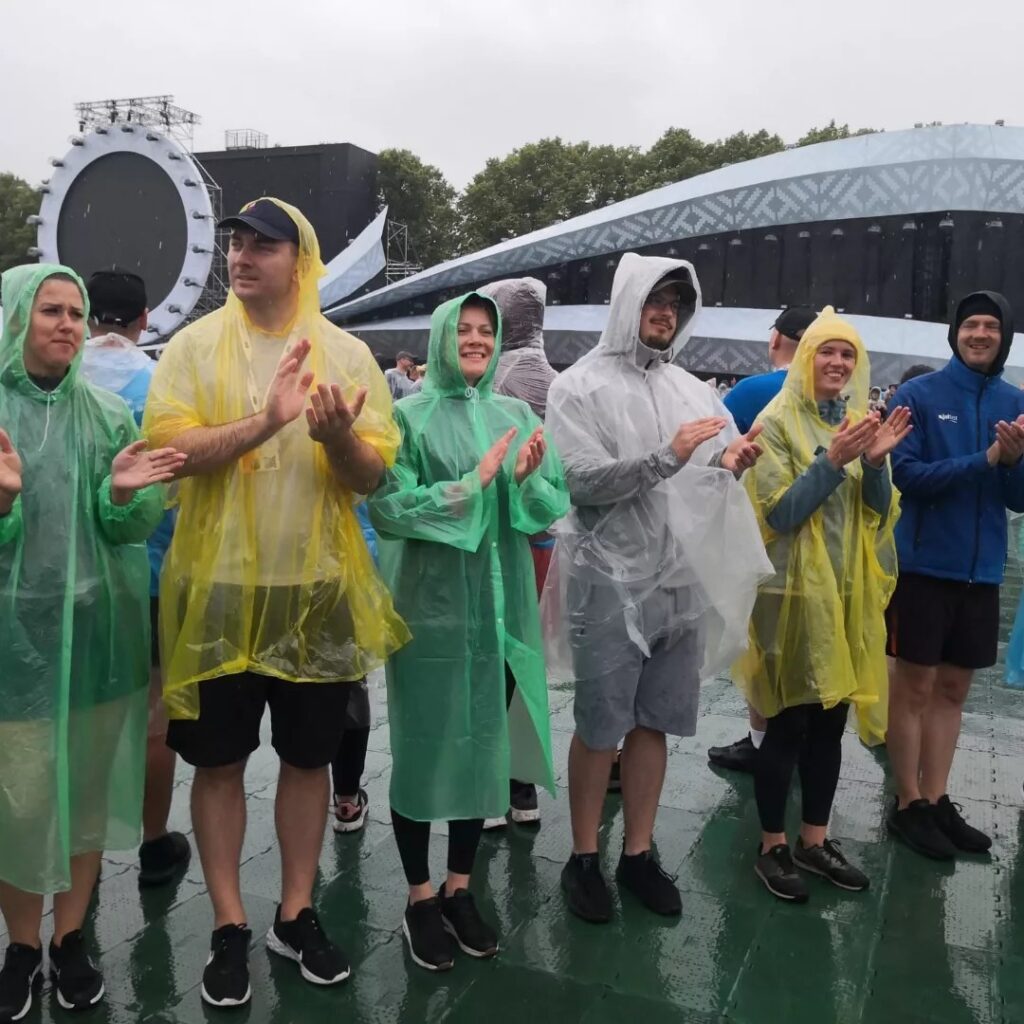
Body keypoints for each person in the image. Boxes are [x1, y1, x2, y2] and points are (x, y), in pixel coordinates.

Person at [143, 197, 409, 1007]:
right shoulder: (192, 348)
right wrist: (265, 421)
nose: (242, 255)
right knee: (218, 763)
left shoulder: (347, 356)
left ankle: (295, 911)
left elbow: (374, 477)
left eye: (264, 244)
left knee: (308, 759)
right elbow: (170, 451)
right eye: (237, 241)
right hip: (218, 588)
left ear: (303, 260)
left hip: (315, 588)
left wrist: (336, 438)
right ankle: (229, 923)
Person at [545, 253, 771, 923]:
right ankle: (584, 855)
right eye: (654, 298)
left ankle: (637, 853)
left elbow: (709, 468)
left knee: (654, 723)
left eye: (676, 302)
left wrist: (729, 460)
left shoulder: (693, 390)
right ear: (627, 302)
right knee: (600, 726)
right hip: (607, 583)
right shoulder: (577, 387)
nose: (666, 312)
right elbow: (578, 482)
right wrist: (665, 457)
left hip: (678, 581)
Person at [0, 264, 184, 1020]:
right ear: (17, 316)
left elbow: (126, 529)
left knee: (81, 795)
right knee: (20, 799)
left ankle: (69, 939)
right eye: (50, 310)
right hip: (13, 646)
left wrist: (125, 495)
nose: (68, 325)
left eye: (76, 312)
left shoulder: (108, 415)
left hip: (99, 636)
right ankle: (21, 946)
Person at [368, 292, 568, 970]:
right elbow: (391, 508)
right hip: (429, 613)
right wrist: (471, 485)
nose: (477, 340)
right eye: (465, 329)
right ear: (442, 337)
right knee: (424, 749)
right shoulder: (406, 416)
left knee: (483, 746)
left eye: (487, 330)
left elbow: (545, 505)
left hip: (499, 614)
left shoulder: (516, 415)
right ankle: (419, 896)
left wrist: (522, 480)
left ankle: (459, 886)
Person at [733, 307, 905, 901]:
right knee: (787, 722)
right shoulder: (777, 420)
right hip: (789, 593)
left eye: (847, 354)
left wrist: (875, 464)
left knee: (830, 723)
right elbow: (778, 512)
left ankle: (815, 838)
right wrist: (832, 463)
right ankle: (772, 845)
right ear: (805, 356)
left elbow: (877, 511)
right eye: (826, 351)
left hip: (846, 592)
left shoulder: (858, 422)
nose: (836, 362)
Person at [886, 291, 1024, 860]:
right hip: (922, 568)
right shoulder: (918, 396)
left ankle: (937, 798)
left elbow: (1018, 498)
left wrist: (1012, 464)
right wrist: (986, 459)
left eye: (991, 325)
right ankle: (907, 803)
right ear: (955, 333)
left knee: (953, 690)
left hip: (981, 572)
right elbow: (908, 477)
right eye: (971, 324)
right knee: (913, 688)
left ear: (1004, 336)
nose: (980, 333)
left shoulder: (1016, 402)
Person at [80, 269, 191, 886]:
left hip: (75, 580)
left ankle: (82, 857)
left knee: (83, 717)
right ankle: (154, 843)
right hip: (149, 574)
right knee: (155, 716)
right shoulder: (160, 387)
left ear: (84, 315)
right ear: (146, 319)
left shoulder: (58, 384)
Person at [708, 305, 817, 773]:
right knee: (808, 650)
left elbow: (713, 458)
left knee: (761, 649)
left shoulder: (752, 392)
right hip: (822, 553)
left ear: (776, 339)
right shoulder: (836, 398)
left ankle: (761, 742)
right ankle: (803, 745)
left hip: (759, 540)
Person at [479, 276, 559, 826]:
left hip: (493, 536)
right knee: (523, 655)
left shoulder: (491, 380)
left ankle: (491, 779)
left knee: (489, 655)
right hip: (542, 537)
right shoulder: (553, 379)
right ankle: (521, 783)